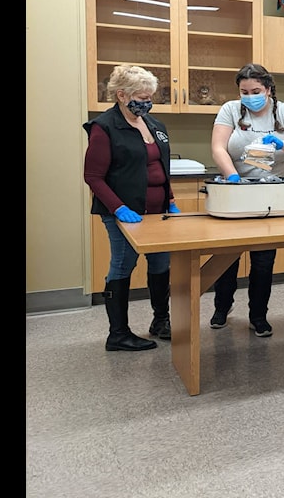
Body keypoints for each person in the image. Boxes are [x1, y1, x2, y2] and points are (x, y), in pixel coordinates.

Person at [209, 63, 284, 337]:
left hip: (271, 194)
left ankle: (258, 315)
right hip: (236, 191)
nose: (249, 96)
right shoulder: (230, 110)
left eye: (256, 90)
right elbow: (218, 147)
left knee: (263, 259)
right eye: (244, 91)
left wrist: (283, 144)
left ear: (268, 89)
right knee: (227, 257)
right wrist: (232, 177)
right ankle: (222, 307)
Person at [83, 64, 178, 351]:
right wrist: (118, 208)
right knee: (123, 265)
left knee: (161, 264)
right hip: (125, 214)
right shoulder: (105, 127)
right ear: (122, 95)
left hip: (157, 212)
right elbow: (93, 176)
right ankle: (118, 334)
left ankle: (160, 321)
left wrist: (170, 200)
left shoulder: (155, 126)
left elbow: (163, 167)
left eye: (150, 96)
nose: (147, 101)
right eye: (141, 96)